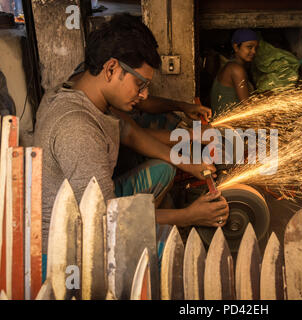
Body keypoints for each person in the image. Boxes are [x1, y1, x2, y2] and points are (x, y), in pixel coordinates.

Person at [33, 13, 229, 277]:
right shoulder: (77, 129)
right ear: (111, 68)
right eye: (140, 84)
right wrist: (189, 216)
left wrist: (187, 162)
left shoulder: (82, 87)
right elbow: (104, 219)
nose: (145, 94)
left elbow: (129, 132)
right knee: (171, 254)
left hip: (95, 207)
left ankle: (154, 221)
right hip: (71, 246)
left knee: (163, 168)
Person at [210, 29, 259, 116]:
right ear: (236, 47)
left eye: (256, 48)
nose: (254, 52)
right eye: (249, 47)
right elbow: (247, 105)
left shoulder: (229, 66)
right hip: (227, 127)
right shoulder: (236, 69)